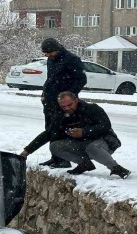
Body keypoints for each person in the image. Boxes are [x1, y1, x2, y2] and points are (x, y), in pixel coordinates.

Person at [20, 92, 130, 179]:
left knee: (92, 147)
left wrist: (84, 132)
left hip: (103, 142)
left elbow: (105, 126)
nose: (67, 108)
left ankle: (116, 168)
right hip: (82, 144)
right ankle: (84, 164)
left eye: (69, 105)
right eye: (63, 106)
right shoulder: (60, 116)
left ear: (76, 100)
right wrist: (27, 151)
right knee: (55, 146)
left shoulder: (92, 109)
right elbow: (48, 134)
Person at [37, 38, 87, 169]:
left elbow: (81, 79)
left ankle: (63, 159)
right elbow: (50, 79)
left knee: (59, 129)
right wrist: (44, 93)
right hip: (50, 100)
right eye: (45, 53)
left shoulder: (71, 59)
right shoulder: (51, 60)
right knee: (50, 129)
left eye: (49, 53)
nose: (47, 56)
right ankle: (55, 158)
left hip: (64, 102)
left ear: (57, 49)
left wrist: (69, 96)